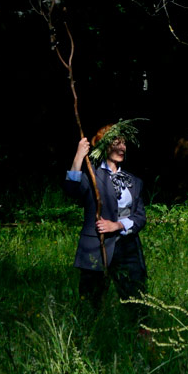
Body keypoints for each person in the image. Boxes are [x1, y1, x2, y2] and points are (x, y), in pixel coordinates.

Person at [64, 122, 146, 304]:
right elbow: (71, 190)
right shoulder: (92, 176)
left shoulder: (134, 181)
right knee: (90, 303)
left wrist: (117, 225)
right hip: (95, 248)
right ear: (104, 145)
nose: (122, 147)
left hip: (128, 249)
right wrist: (78, 157)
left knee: (137, 301)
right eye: (117, 142)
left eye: (124, 143)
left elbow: (140, 217)